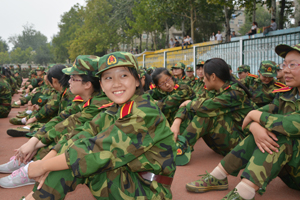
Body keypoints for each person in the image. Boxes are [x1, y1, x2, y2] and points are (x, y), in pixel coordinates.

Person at [22, 52, 177, 200]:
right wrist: (45, 164)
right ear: (102, 85)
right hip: (128, 179)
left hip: (149, 190)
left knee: (78, 161)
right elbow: (80, 134)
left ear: (137, 80)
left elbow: (97, 151)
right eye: (108, 78)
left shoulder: (145, 111)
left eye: (123, 75)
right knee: (72, 153)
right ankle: (35, 197)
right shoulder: (114, 109)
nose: (116, 84)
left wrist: (43, 166)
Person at [185, 43, 300, 200]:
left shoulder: (235, 91)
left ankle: (244, 193)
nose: (285, 70)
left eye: (292, 65)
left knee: (280, 134)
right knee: (264, 133)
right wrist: (254, 125)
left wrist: (255, 117)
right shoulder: (287, 94)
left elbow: (294, 124)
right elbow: (266, 110)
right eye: (284, 64)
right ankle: (218, 176)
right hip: (291, 172)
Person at [0, 55, 111, 189]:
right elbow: (61, 119)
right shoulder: (84, 99)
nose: (68, 81)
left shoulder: (100, 103)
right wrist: (34, 141)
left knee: (62, 145)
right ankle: (28, 162)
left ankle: (31, 167)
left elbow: (70, 126)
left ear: (88, 84)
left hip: (98, 158)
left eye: (73, 78)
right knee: (54, 138)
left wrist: (36, 144)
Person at [171, 58, 257, 164]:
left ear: (213, 77)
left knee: (205, 114)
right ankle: (176, 142)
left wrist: (188, 104)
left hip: (243, 146)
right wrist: (177, 121)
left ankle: (180, 148)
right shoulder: (212, 91)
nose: (202, 80)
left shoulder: (235, 93)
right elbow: (193, 104)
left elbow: (203, 106)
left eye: (204, 76)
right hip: (226, 144)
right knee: (196, 109)